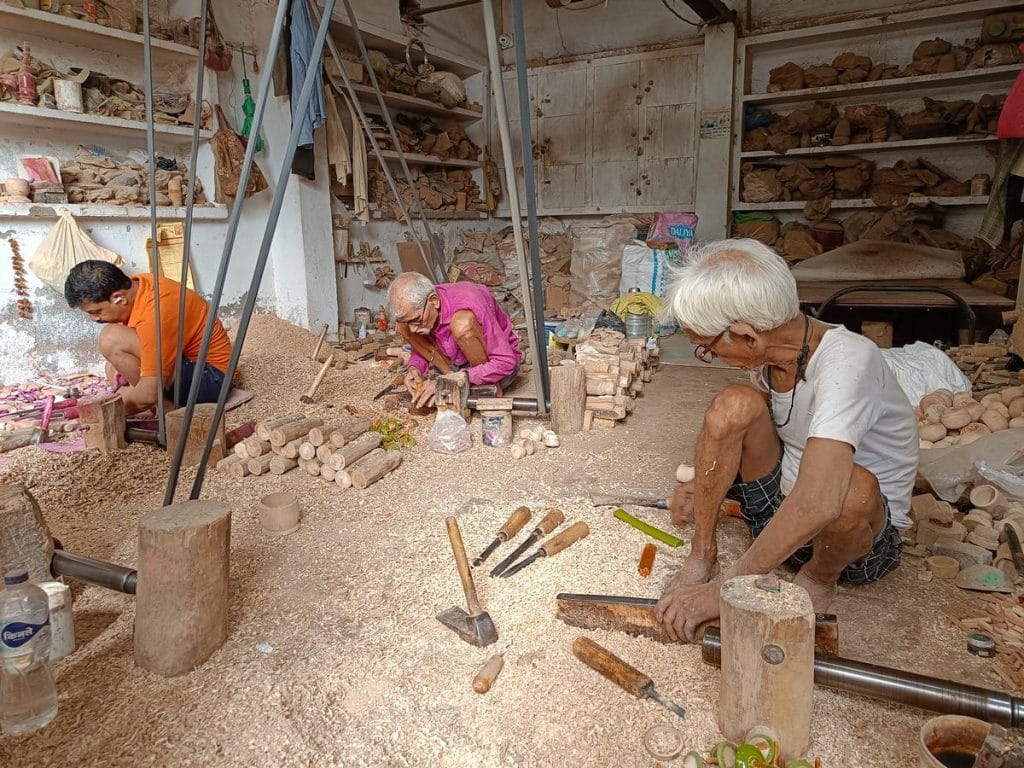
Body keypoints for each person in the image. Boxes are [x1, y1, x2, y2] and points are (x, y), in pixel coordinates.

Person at [654, 239, 917, 642]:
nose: (709, 357)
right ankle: (702, 552)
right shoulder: (780, 352)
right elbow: (761, 426)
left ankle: (818, 575)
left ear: (747, 337)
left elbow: (819, 502)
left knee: (854, 491)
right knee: (733, 405)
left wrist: (721, 594)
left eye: (707, 349)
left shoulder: (848, 363)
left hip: (853, 542)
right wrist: (707, 484)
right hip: (778, 510)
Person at [64, 261, 233, 416]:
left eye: (96, 311)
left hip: (211, 381)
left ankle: (168, 411)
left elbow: (148, 394)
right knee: (112, 366)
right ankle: (161, 405)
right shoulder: (138, 285)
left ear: (119, 298)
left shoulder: (157, 310)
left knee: (110, 339)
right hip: (190, 366)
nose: (94, 318)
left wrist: (107, 414)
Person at [386, 272, 522, 408]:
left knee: (462, 324)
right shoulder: (421, 311)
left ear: (434, 301)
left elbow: (506, 363)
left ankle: (488, 388)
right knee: (402, 326)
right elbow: (422, 345)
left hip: (494, 369)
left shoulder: (470, 300)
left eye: (416, 320)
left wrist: (454, 379)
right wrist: (414, 368)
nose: (414, 329)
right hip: (453, 368)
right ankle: (453, 381)